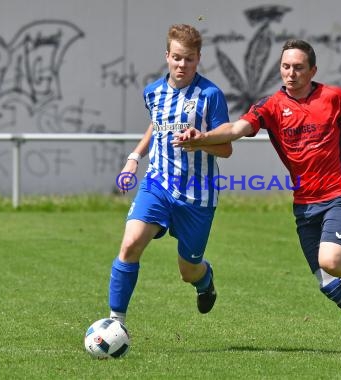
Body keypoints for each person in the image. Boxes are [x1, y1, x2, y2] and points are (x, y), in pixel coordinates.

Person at [173, 39, 341, 353]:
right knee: (330, 283)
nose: (291, 73)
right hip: (305, 206)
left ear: (313, 70)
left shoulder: (333, 97)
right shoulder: (270, 106)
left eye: (298, 67)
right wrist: (203, 138)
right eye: (285, 67)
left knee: (331, 261)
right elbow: (236, 129)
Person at [108, 24, 232, 324]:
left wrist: (199, 140)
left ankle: (204, 280)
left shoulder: (210, 95)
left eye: (189, 59)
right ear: (167, 56)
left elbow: (226, 148)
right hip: (157, 184)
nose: (182, 65)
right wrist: (135, 157)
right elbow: (157, 127)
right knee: (130, 244)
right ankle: (116, 322)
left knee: (188, 271)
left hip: (197, 195)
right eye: (177, 57)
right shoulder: (153, 93)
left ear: (198, 58)